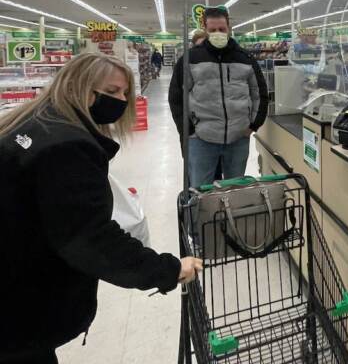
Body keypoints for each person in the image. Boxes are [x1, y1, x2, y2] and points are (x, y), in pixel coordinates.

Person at [0, 53, 201, 364]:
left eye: (124, 93)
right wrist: (168, 269)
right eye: (112, 91)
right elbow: (89, 238)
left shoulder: (35, 122)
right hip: (17, 309)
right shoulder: (66, 146)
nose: (121, 100)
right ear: (81, 88)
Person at [169, 7, 269, 188]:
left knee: (234, 190)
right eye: (212, 30)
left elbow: (259, 94)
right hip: (202, 139)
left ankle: (228, 218)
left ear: (229, 28)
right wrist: (189, 130)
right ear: (205, 30)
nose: (218, 33)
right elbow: (176, 97)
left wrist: (253, 125)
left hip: (238, 138)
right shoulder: (190, 59)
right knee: (200, 192)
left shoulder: (245, 58)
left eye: (221, 29)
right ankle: (202, 218)